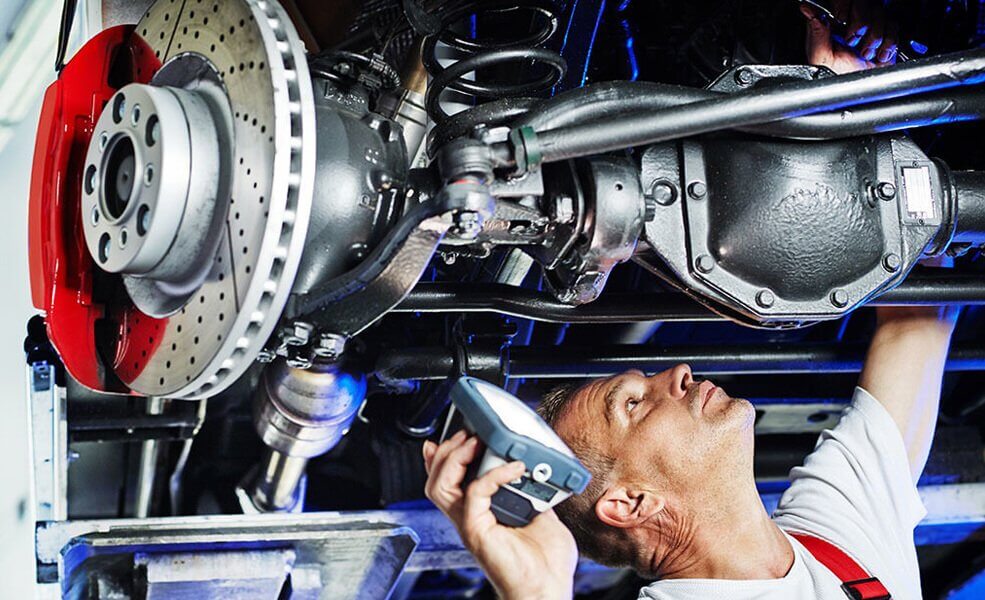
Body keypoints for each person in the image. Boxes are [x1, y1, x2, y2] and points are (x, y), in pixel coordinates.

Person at [424, 304, 957, 599]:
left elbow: (917, 321)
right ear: (632, 503)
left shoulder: (839, 534)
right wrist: (538, 595)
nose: (678, 374)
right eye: (633, 405)